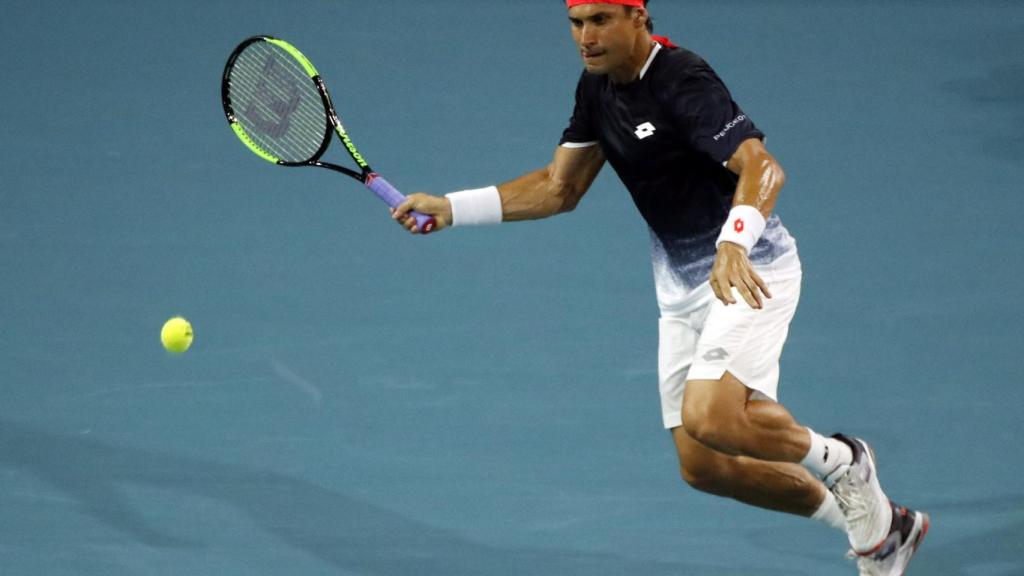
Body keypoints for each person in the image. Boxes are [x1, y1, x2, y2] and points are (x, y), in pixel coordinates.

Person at [392, 1, 928, 573]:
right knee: (705, 466)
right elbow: (558, 188)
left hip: (750, 269)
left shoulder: (683, 78)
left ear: (637, 18)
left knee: (711, 417)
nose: (585, 37)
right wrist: (454, 208)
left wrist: (733, 243)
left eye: (600, 21)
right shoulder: (596, 89)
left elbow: (763, 168)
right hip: (679, 289)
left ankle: (846, 462)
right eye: (576, 23)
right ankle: (880, 526)